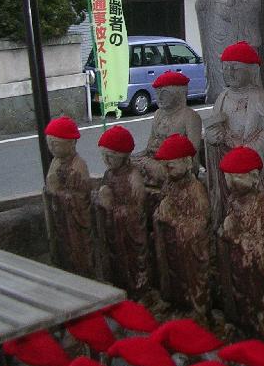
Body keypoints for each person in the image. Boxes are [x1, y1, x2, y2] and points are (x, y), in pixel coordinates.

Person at [204, 41, 264, 236]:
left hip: (251, 166)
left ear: (252, 70)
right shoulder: (222, 98)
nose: (230, 72)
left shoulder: (263, 99)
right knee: (228, 209)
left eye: (236, 68)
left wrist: (246, 150)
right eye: (225, 68)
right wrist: (212, 138)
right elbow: (214, 128)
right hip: (227, 164)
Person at [216, 146, 264, 339]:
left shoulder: (262, 203)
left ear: (254, 177)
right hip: (237, 264)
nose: (231, 183)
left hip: (256, 268)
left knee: (257, 301)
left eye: (237, 177)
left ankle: (262, 333)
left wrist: (234, 237)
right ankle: (242, 327)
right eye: (228, 177)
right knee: (239, 296)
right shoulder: (233, 200)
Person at [152, 134, 210, 320]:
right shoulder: (169, 185)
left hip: (189, 249)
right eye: (164, 166)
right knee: (172, 274)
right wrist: (160, 215)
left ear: (187, 162)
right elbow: (161, 211)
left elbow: (200, 225)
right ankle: (174, 301)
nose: (167, 171)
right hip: (171, 245)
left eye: (171, 166)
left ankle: (196, 308)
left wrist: (173, 220)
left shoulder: (196, 190)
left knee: (190, 276)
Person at [93, 125, 148, 296]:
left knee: (132, 263)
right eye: (103, 156)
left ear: (124, 156)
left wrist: (113, 208)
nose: (106, 160)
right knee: (115, 259)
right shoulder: (109, 174)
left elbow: (138, 210)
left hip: (129, 232)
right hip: (113, 230)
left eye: (110, 156)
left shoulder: (133, 177)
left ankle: (137, 292)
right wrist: (101, 199)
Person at [43, 116, 93, 277]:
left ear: (72, 143)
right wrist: (51, 191)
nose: (51, 147)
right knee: (61, 248)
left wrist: (58, 192)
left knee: (77, 251)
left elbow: (81, 198)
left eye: (56, 143)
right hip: (60, 218)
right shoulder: (55, 162)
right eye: (49, 143)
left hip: (74, 223)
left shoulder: (78, 166)